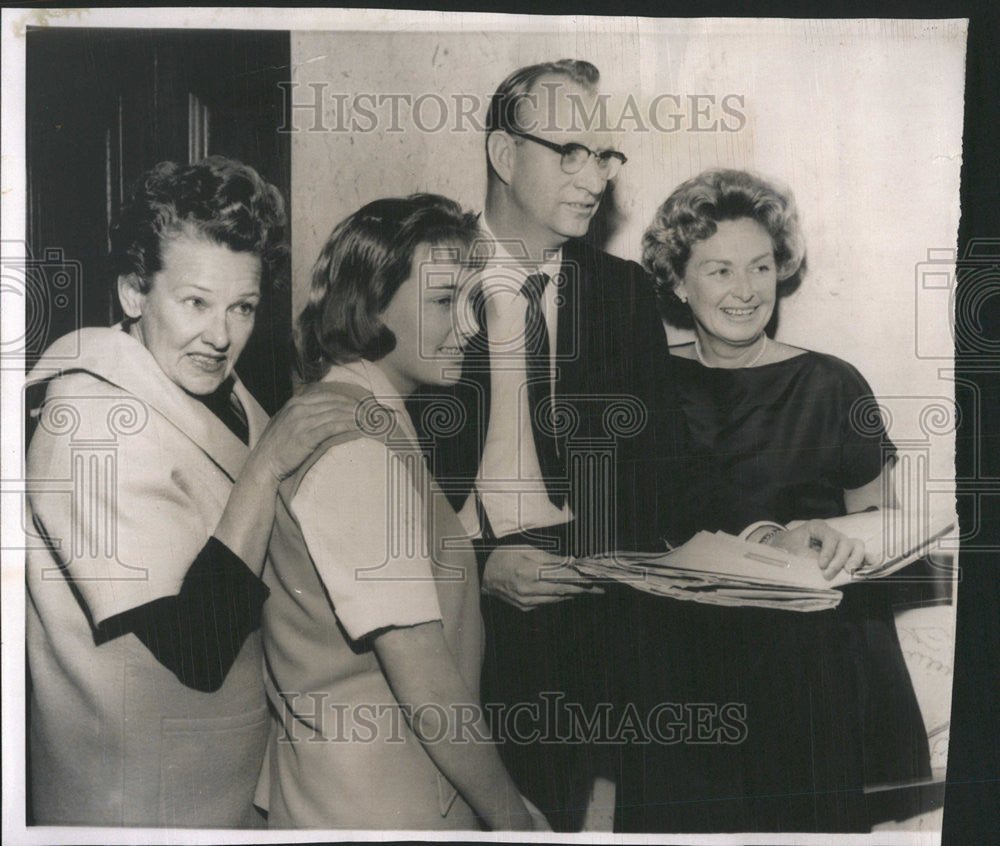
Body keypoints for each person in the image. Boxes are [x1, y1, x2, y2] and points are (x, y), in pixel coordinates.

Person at [406, 59, 694, 831]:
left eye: (603, 156)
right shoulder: (422, 272)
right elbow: (376, 468)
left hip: (581, 601)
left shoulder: (623, 290)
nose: (595, 176)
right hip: (447, 598)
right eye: (570, 151)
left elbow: (659, 466)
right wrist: (478, 566)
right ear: (504, 156)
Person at [25, 156, 354, 827]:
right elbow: (196, 649)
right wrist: (269, 466)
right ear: (133, 294)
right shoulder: (91, 422)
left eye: (243, 307)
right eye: (196, 302)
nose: (222, 335)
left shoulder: (215, 390)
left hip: (225, 783)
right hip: (137, 802)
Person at [618, 168, 932, 832]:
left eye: (761, 267)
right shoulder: (638, 386)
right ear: (677, 281)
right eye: (721, 270)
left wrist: (825, 536)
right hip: (681, 678)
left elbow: (883, 526)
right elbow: (621, 533)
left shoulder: (834, 385)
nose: (746, 290)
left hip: (808, 679)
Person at [258, 194, 549, 831]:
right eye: (445, 302)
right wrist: (511, 818)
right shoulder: (352, 447)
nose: (469, 326)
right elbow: (426, 683)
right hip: (371, 804)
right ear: (369, 302)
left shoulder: (367, 417)